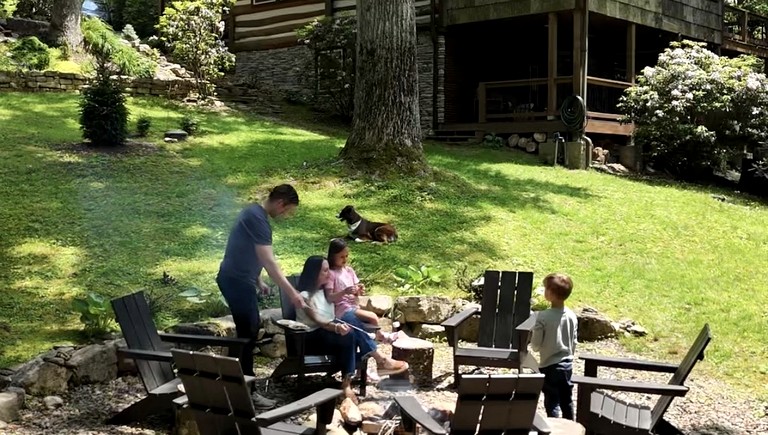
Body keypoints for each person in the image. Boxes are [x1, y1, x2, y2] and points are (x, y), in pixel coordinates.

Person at [216, 184, 306, 409]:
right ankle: (246, 391)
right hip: (235, 281)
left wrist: (257, 280)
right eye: (287, 211)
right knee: (248, 333)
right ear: (280, 203)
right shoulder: (258, 219)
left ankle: (233, 383)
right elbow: (268, 260)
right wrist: (292, 293)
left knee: (250, 330)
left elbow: (242, 249)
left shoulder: (253, 213)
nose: (285, 215)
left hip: (238, 279)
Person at [295, 256, 408, 402]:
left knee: (350, 329)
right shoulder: (304, 296)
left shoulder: (323, 293)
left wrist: (355, 293)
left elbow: (341, 308)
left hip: (328, 333)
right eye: (325, 271)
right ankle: (377, 363)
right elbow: (319, 320)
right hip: (311, 339)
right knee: (349, 335)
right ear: (314, 273)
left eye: (328, 270)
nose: (329, 274)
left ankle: (353, 379)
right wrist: (336, 328)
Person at [326, 238, 398, 344]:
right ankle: (381, 338)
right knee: (372, 317)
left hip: (354, 306)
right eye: (341, 257)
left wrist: (359, 290)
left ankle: (377, 339)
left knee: (371, 318)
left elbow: (356, 293)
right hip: (341, 309)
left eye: (346, 256)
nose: (345, 259)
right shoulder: (331, 274)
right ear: (332, 256)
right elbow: (329, 297)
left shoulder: (349, 271)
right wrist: (344, 292)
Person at [530, 273, 578, 420]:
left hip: (549, 366)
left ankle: (554, 427)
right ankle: (571, 427)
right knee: (567, 400)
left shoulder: (542, 317)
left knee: (552, 401)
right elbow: (574, 342)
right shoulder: (571, 315)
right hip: (567, 365)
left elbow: (536, 345)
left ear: (550, 293)